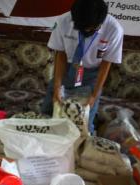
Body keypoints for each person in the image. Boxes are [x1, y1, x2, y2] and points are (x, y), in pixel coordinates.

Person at [41, 0, 124, 134]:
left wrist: (94, 95)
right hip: (67, 69)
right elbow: (60, 55)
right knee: (48, 112)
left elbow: (106, 64)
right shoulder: (63, 21)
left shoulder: (114, 29)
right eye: (82, 28)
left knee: (84, 122)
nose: (86, 31)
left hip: (92, 75)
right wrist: (57, 86)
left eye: (91, 28)